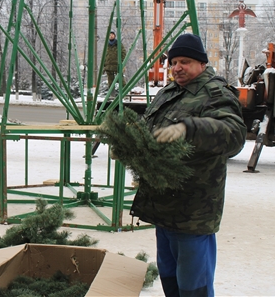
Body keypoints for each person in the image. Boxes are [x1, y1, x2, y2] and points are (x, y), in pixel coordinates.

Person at [129, 34, 247, 297]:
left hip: (193, 212)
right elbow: (153, 133)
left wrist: (189, 128)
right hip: (164, 207)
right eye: (174, 62)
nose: (177, 67)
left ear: (202, 63)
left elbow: (234, 135)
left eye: (185, 61)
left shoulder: (215, 93)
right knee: (170, 279)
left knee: (194, 286)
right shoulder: (169, 92)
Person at [103, 31, 127, 96]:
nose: (111, 36)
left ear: (114, 36)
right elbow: (104, 55)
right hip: (108, 65)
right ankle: (111, 96)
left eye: (112, 35)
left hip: (117, 65)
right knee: (110, 82)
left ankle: (125, 93)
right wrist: (104, 65)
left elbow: (123, 53)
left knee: (120, 80)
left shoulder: (118, 44)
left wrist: (121, 62)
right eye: (110, 35)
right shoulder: (107, 45)